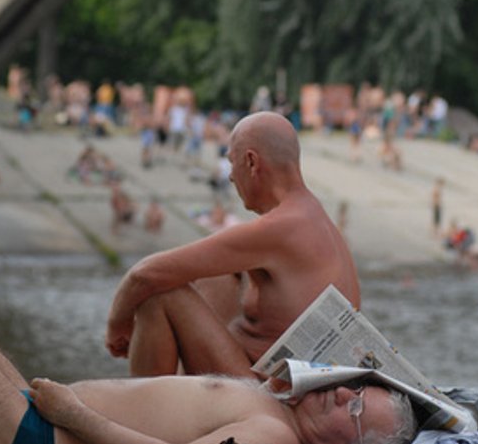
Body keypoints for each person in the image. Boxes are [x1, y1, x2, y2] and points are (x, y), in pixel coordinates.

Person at [0, 304, 417, 444]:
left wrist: (77, 416)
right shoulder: (282, 413)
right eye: (355, 388)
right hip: (44, 421)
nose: (341, 394)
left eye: (355, 409)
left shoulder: (275, 439)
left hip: (48, 436)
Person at [105, 112, 361, 377]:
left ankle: (147, 401)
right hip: (269, 372)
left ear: (251, 162)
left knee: (158, 293)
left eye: (231, 162)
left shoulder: (282, 227)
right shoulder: (314, 217)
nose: (230, 176)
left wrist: (117, 325)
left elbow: (143, 275)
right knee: (219, 275)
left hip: (269, 391)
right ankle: (175, 388)